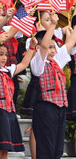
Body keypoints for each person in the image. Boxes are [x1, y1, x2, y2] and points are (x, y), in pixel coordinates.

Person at [0, 37, 37, 158]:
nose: (4, 58)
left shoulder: (7, 70)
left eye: (6, 54)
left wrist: (32, 47)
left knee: (4, 150)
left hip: (9, 113)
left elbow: (24, 64)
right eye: (0, 54)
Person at [31, 21, 76, 159]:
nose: (53, 50)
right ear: (38, 48)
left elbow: (71, 42)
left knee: (57, 150)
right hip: (46, 109)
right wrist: (53, 25)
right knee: (46, 150)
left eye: (54, 47)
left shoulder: (56, 61)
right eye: (50, 47)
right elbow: (44, 45)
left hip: (60, 109)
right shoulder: (38, 63)